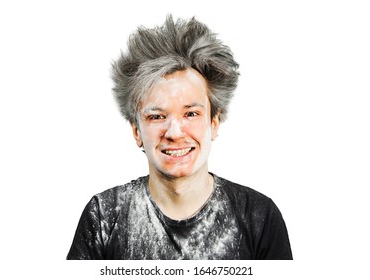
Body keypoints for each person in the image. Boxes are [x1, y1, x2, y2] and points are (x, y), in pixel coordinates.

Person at [67, 15, 292, 260]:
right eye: (156, 116)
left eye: (191, 113)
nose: (175, 133)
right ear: (136, 131)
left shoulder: (258, 216)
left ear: (214, 123)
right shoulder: (103, 216)